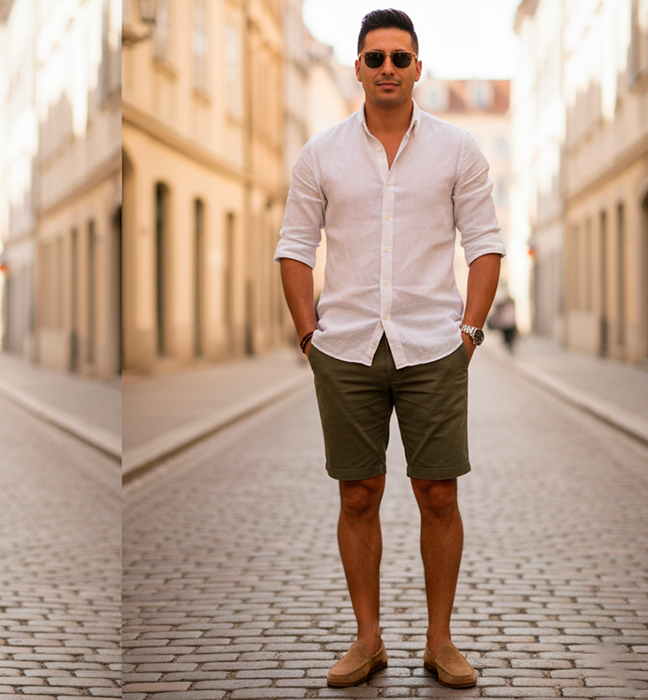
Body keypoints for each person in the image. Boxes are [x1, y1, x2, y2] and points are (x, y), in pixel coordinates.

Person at [276, 9, 505, 690]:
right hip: (345, 346)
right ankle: (368, 639)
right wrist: (308, 335)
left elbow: (485, 244)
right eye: (374, 58)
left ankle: (440, 642)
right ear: (357, 68)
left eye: (399, 58)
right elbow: (295, 247)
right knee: (357, 494)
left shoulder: (458, 149)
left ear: (417, 68)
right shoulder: (321, 153)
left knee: (438, 493)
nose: (387, 69)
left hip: (434, 344)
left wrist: (469, 331)